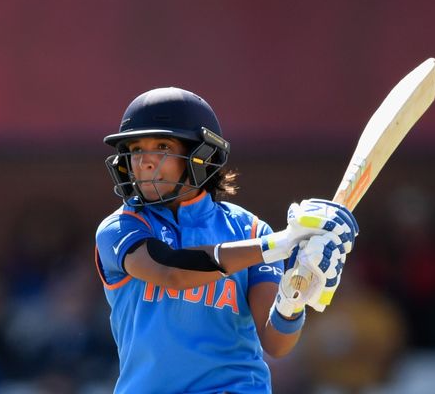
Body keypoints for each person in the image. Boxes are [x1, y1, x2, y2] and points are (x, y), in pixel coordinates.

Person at [95, 87, 359, 394]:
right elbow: (172, 272)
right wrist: (280, 244)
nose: (145, 162)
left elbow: (276, 343)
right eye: (136, 149)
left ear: (201, 155)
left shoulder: (249, 230)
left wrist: (293, 301)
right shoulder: (121, 226)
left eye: (162, 146)